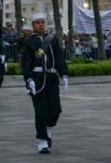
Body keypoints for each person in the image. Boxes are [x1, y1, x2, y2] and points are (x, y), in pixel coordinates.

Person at [21, 12, 69, 154]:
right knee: (40, 111)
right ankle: (42, 140)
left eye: (42, 22)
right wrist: (28, 79)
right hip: (37, 78)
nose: (40, 25)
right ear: (33, 25)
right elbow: (26, 62)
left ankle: (48, 128)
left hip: (52, 78)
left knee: (55, 110)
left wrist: (64, 73)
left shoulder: (52, 39)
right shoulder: (29, 41)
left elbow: (59, 57)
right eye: (37, 23)